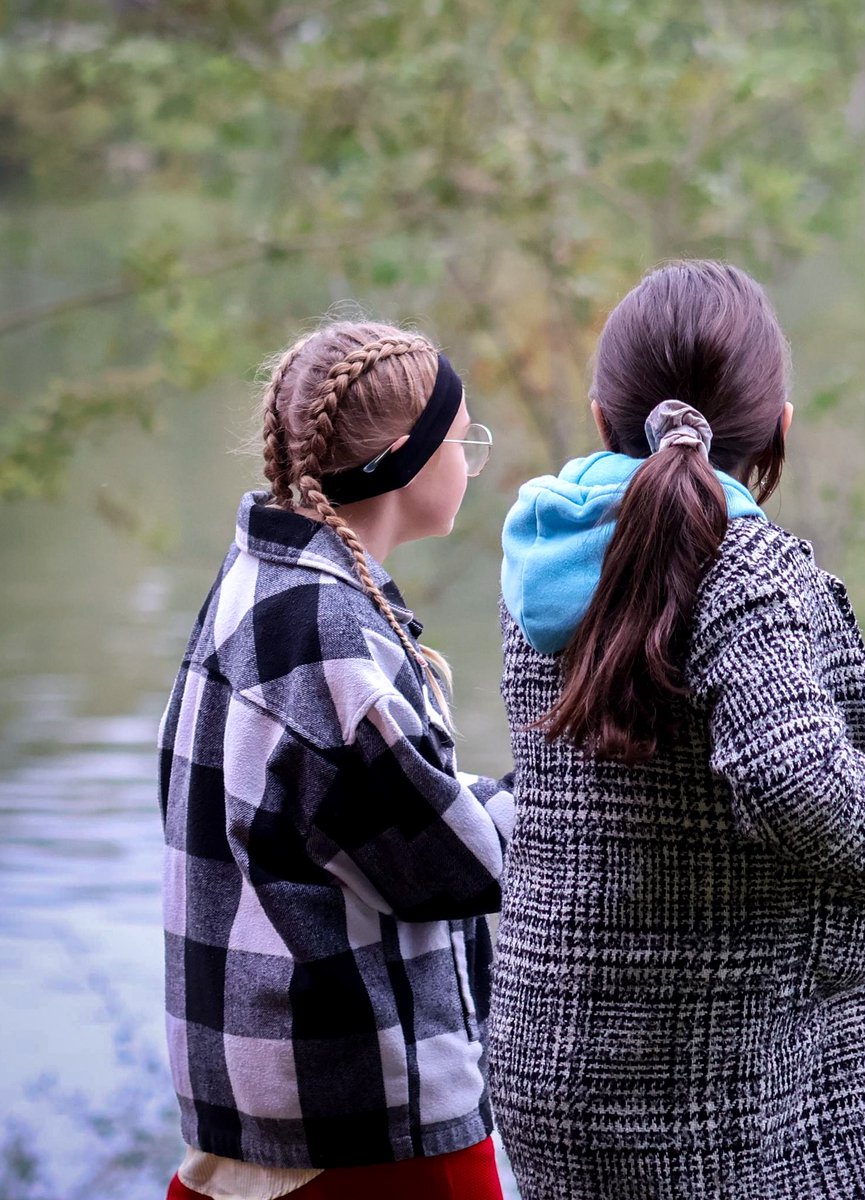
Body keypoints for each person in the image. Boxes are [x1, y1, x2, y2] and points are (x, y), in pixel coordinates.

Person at [490, 261, 865, 1199]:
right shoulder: (745, 565)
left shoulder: (544, 559)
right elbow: (791, 775)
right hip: (704, 1079)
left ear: (598, 410)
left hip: (553, 1064)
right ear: (780, 426)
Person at [158, 322, 512, 1200]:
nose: (470, 457)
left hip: (264, 1111)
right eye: (462, 437)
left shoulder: (262, 578)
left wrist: (483, 796)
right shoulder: (327, 635)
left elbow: (363, 801)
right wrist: (560, 789)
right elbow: (456, 867)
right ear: (404, 457)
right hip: (359, 1131)